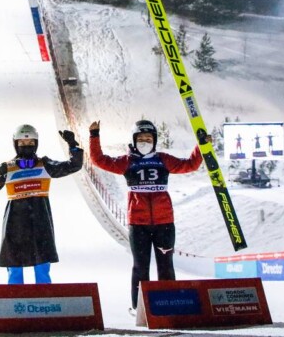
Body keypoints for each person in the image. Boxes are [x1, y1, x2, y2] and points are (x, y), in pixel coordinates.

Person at [88, 119, 206, 313]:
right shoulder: (127, 162)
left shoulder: (163, 159)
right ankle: (139, 307)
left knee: (166, 266)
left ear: (155, 140)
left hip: (164, 223)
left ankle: (170, 304)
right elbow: (99, 160)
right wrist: (94, 136)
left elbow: (190, 165)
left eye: (148, 138)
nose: (144, 141)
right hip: (138, 223)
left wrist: (201, 146)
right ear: (134, 140)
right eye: (141, 138)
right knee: (140, 267)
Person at [0, 124, 82, 284]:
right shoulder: (7, 168)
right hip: (15, 224)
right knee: (14, 268)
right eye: (22, 143)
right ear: (15, 144)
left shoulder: (45, 164)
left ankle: (45, 300)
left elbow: (73, 166)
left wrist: (73, 145)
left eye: (30, 143)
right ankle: (15, 300)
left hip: (40, 222)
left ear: (36, 143)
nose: (26, 146)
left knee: (42, 267)